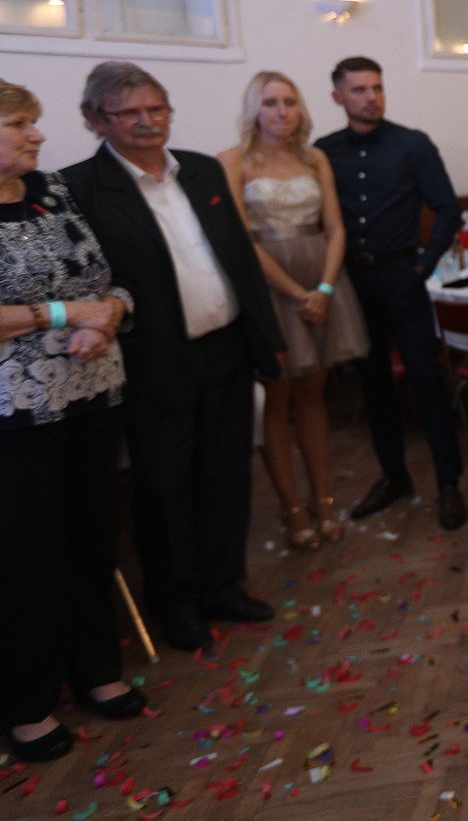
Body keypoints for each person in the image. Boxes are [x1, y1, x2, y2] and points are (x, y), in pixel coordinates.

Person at [63, 62, 283, 652]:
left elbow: (238, 258)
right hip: (152, 361)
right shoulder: (80, 189)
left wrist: (265, 340)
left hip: (226, 348)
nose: (147, 122)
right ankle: (175, 603)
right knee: (165, 489)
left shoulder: (203, 169)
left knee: (227, 474)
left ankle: (223, 585)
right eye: (128, 113)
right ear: (94, 120)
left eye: (156, 108)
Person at [0, 81, 149, 762]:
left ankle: (97, 669)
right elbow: (63, 303)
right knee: (29, 557)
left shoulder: (53, 191)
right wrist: (68, 315)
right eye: (19, 123)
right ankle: (27, 702)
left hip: (91, 395)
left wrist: (110, 313)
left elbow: (107, 278)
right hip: (17, 415)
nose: (37, 134)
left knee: (93, 540)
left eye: (34, 122)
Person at [316, 57, 468, 530]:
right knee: (373, 383)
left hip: (403, 275)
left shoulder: (412, 144)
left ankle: (449, 483)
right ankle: (393, 476)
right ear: (338, 96)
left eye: (377, 88)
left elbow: (448, 210)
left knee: (426, 379)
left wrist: (422, 266)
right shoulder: (323, 152)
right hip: (353, 283)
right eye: (359, 90)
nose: (371, 97)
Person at [220, 72, 368, 550]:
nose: (281, 111)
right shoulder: (233, 161)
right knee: (277, 398)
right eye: (270, 102)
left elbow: (336, 227)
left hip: (322, 277)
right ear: (254, 109)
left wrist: (323, 287)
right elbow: (239, 238)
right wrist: (295, 293)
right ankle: (291, 507)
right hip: (269, 284)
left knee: (313, 395)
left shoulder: (314, 158)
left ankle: (322, 499)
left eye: (290, 101)